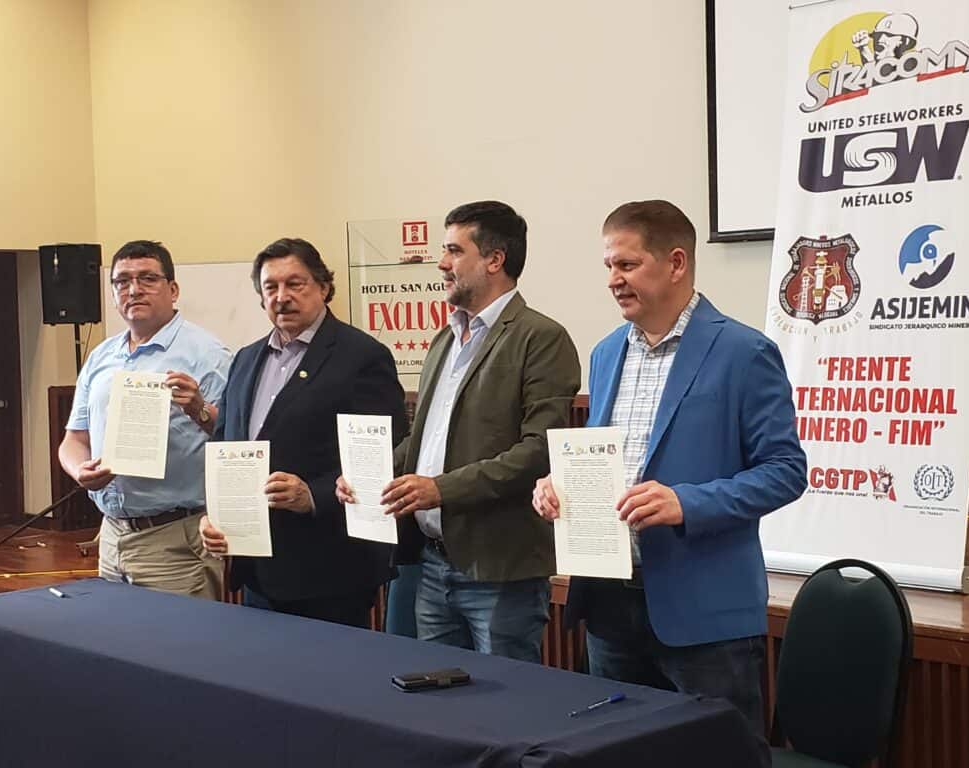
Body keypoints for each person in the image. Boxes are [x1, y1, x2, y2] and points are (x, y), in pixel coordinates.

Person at [533, 200, 806, 760]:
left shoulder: (744, 351)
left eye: (627, 265)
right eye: (608, 266)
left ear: (676, 262)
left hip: (704, 612)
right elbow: (610, 461)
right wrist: (560, 486)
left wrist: (688, 502)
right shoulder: (607, 352)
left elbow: (785, 472)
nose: (613, 280)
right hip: (611, 600)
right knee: (618, 754)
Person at [338, 200, 580, 662]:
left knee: (507, 706)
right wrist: (369, 474)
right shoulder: (445, 339)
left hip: (499, 570)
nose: (441, 263)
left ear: (494, 259)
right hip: (431, 562)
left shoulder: (539, 337)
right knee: (442, 708)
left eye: (453, 250)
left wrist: (439, 490)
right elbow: (425, 441)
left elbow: (539, 451)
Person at [201, 238, 406, 628]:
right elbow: (223, 444)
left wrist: (312, 495)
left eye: (295, 284)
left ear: (323, 287)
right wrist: (214, 515)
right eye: (270, 287)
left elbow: (386, 458)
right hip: (255, 566)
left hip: (329, 571)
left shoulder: (362, 357)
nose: (281, 297)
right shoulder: (245, 359)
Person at [59, 240, 231, 599]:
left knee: (181, 652)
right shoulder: (102, 356)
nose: (134, 289)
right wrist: (80, 473)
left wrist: (199, 408)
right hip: (111, 534)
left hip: (176, 539)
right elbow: (74, 440)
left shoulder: (208, 355)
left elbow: (236, 443)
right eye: (122, 281)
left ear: (173, 289)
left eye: (147, 278)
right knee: (115, 648)